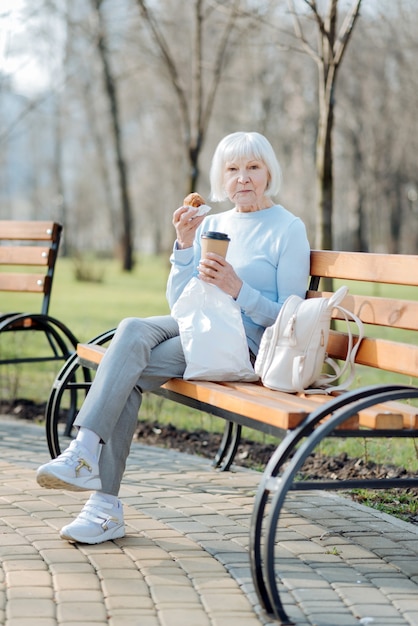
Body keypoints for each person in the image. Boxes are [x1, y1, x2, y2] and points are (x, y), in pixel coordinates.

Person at [36, 131, 311, 544]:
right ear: (222, 177)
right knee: (131, 330)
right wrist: (183, 247)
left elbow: (291, 321)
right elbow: (181, 301)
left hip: (247, 346)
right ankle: (85, 451)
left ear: (269, 170)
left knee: (124, 369)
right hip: (201, 328)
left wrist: (240, 290)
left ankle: (102, 502)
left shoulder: (287, 229)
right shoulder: (213, 223)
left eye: (253, 167)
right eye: (232, 169)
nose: (243, 178)